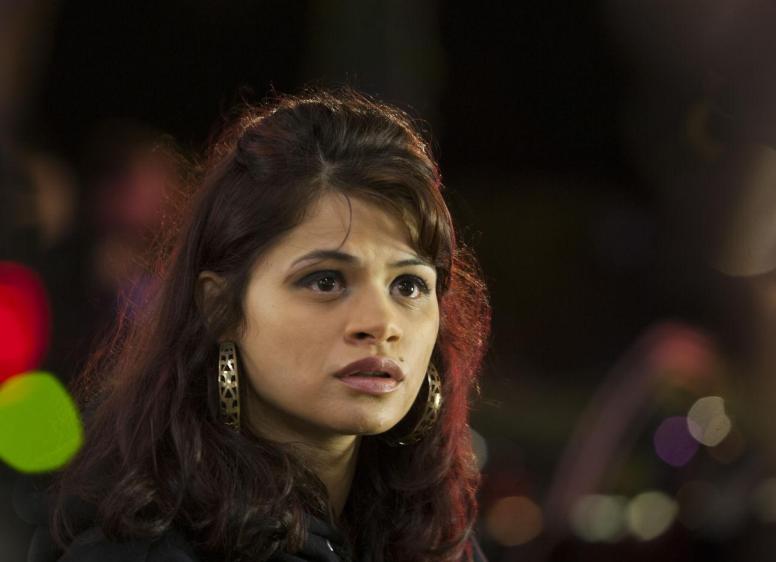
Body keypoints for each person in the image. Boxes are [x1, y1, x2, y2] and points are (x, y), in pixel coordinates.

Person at [39, 88, 491, 561]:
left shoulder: (442, 542)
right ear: (221, 308)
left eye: (409, 286)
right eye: (325, 281)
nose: (381, 323)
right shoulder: (140, 552)